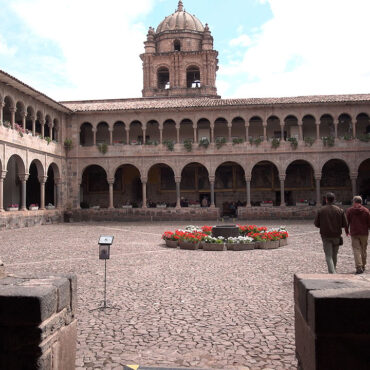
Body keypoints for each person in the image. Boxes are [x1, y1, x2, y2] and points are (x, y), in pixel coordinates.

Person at [314, 192, 349, 273]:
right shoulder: (340, 210)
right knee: (334, 255)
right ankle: (333, 271)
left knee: (328, 256)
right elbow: (345, 224)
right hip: (336, 236)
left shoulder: (321, 210)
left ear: (326, 200)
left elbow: (316, 223)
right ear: (334, 200)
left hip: (326, 236)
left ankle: (332, 273)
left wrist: (323, 226)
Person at [346, 196, 370, 274]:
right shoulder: (366, 211)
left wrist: (347, 231)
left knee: (356, 250)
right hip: (364, 233)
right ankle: (363, 265)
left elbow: (347, 222)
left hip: (354, 233)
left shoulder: (350, 211)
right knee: (363, 250)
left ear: (354, 202)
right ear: (361, 202)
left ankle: (359, 267)